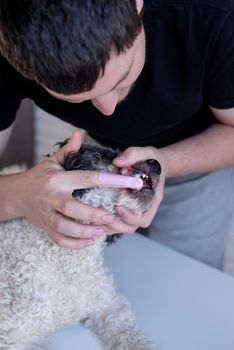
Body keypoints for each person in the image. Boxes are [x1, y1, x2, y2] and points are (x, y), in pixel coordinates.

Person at [0, 0, 234, 269]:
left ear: (136, 5)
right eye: (77, 99)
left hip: (200, 160)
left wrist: (166, 162)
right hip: (98, 159)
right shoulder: (8, 38)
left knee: (182, 281)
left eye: (122, 79)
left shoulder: (213, 16)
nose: (108, 110)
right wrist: (18, 193)